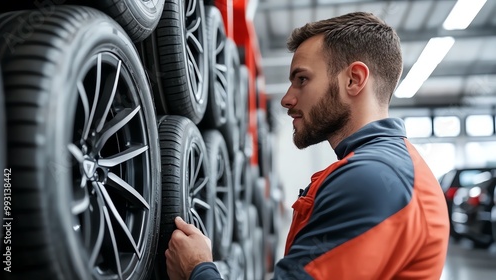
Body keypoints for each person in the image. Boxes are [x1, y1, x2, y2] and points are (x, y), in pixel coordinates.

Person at [164, 11, 450, 280]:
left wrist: (197, 268)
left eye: (302, 79)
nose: (287, 99)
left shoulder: (375, 179)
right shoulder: (387, 168)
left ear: (354, 79)